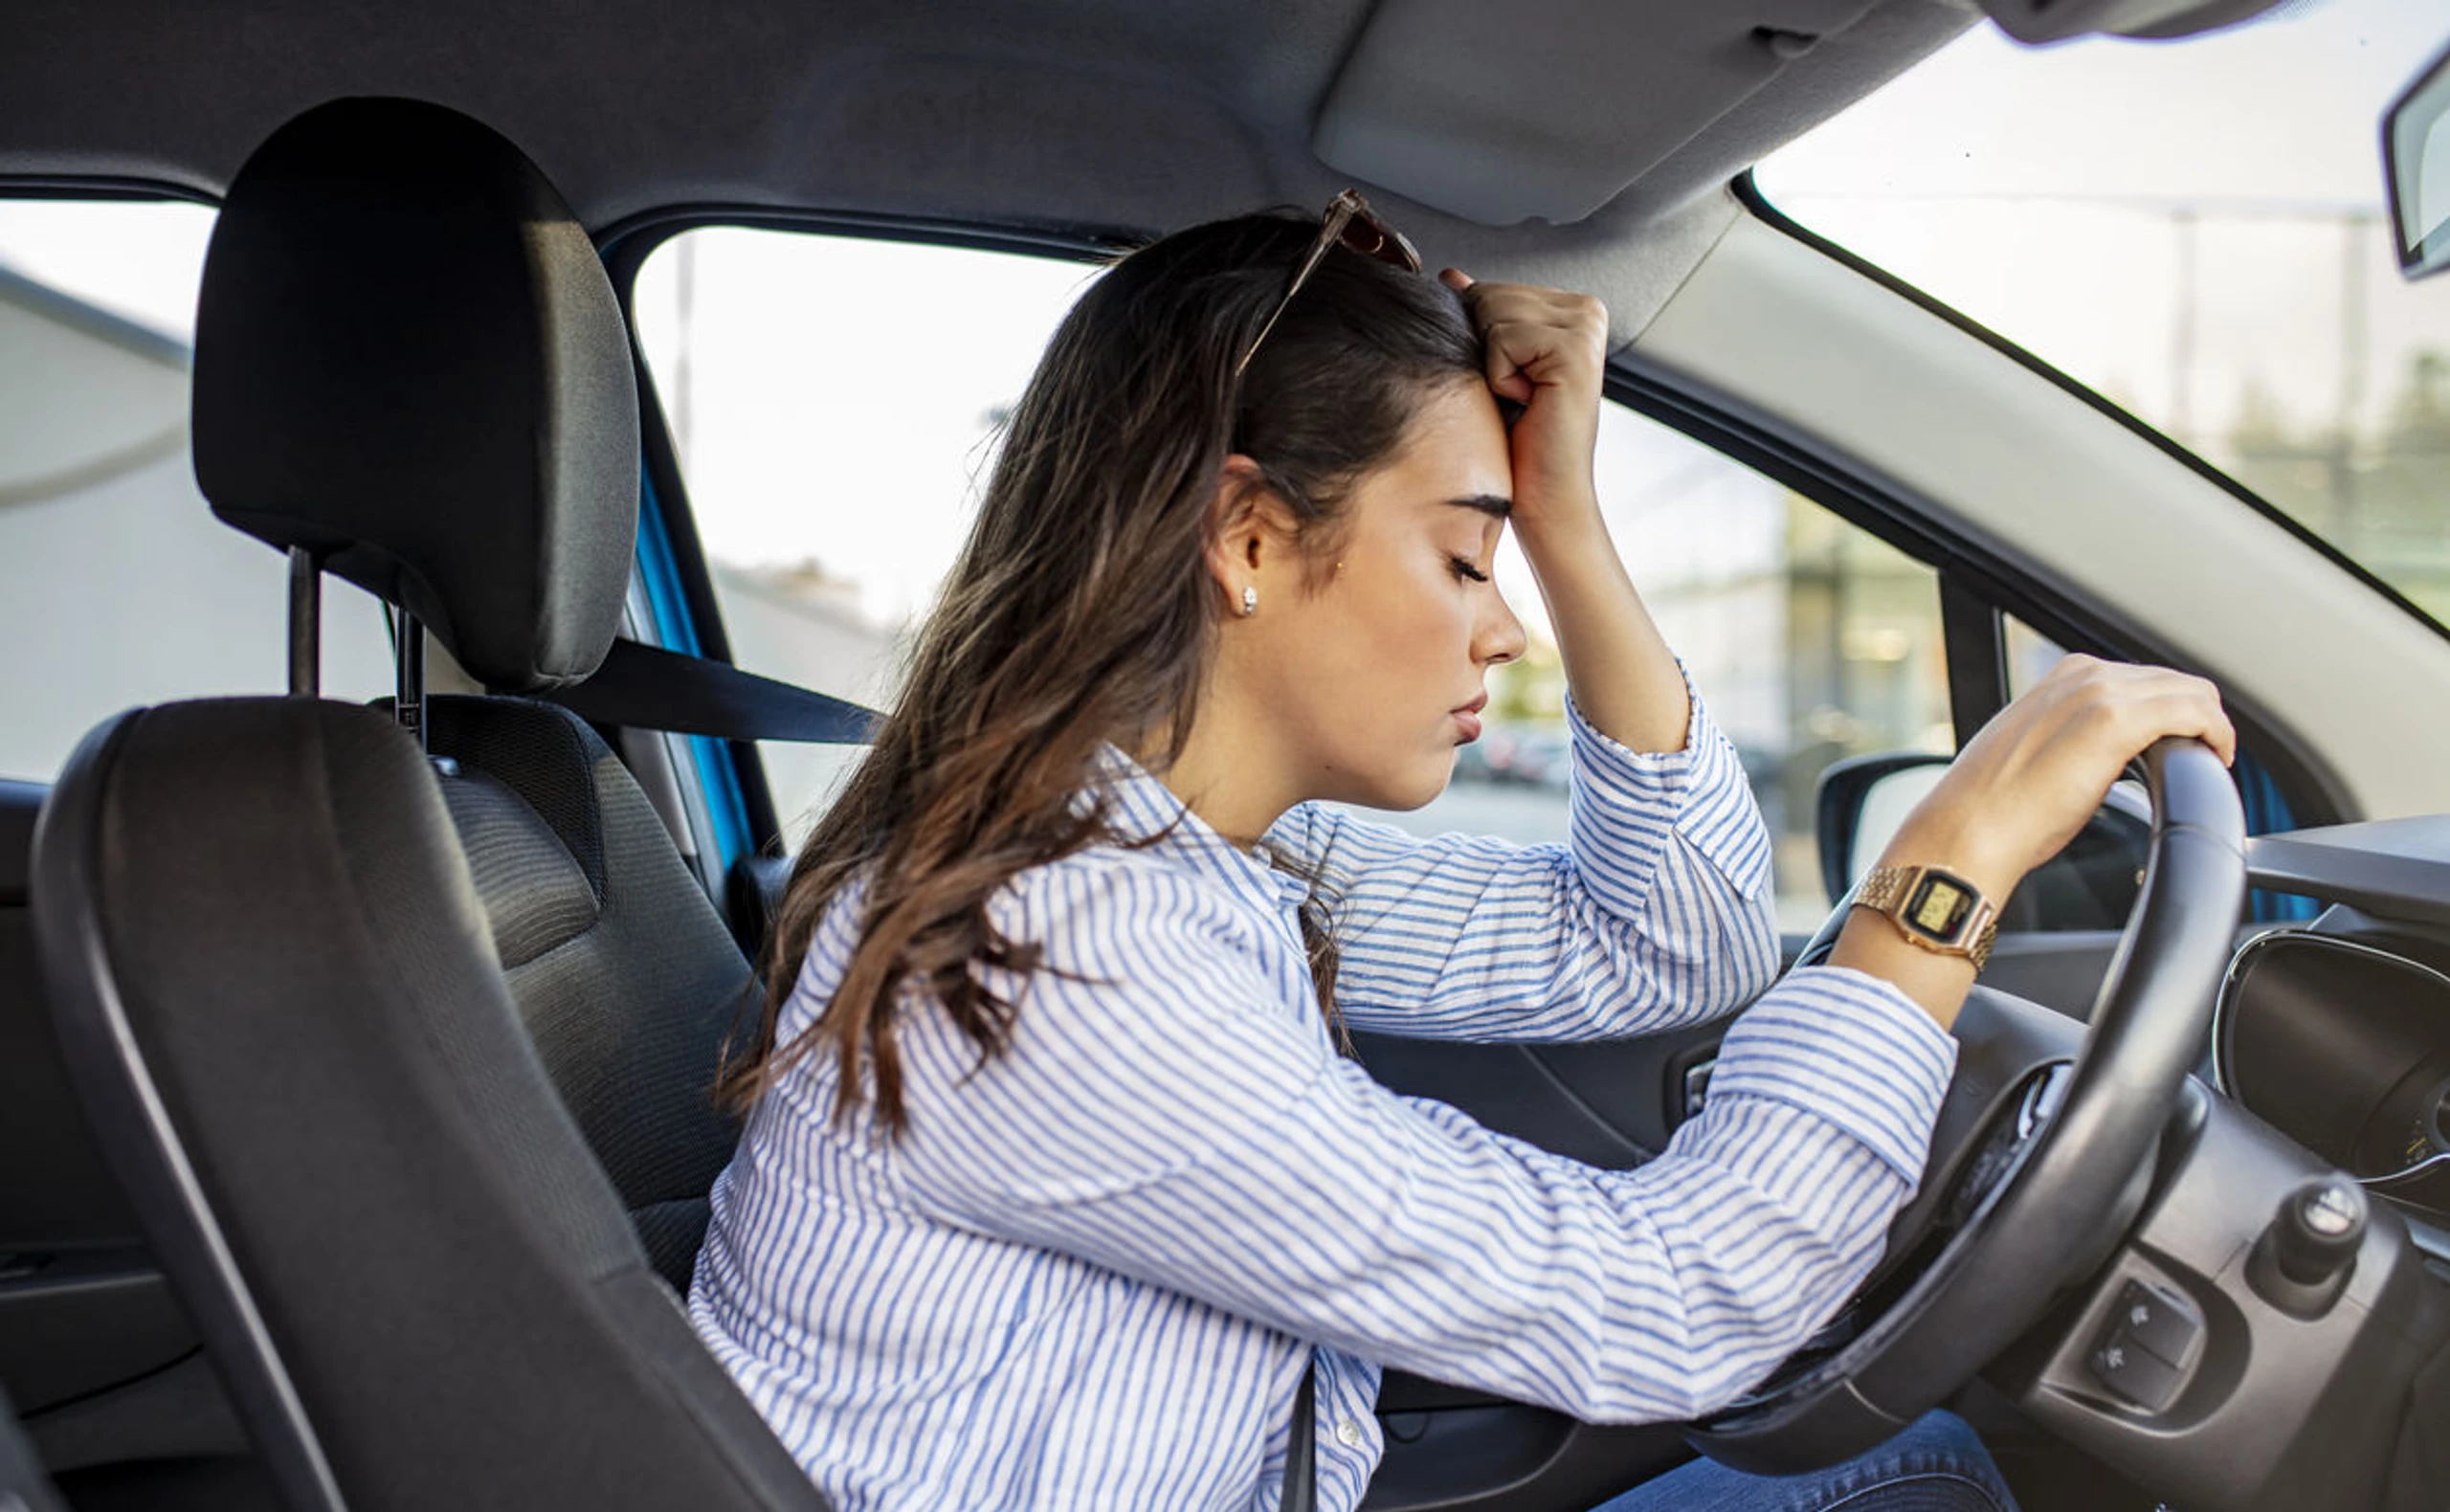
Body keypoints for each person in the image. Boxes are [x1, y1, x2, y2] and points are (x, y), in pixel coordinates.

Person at [687, 195, 2233, 1512]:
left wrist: (1560, 508)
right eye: (1460, 554)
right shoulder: (1063, 953)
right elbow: (1675, 1304)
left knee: (1926, 1463)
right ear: (1246, 539)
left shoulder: (1196, 855)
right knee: (1938, 1478)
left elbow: (1670, 945)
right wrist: (1945, 868)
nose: (1504, 624)